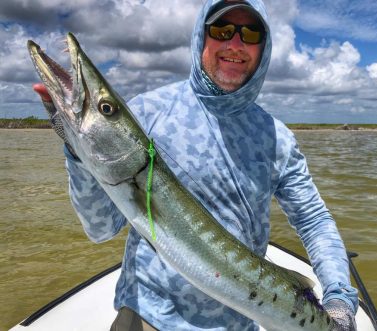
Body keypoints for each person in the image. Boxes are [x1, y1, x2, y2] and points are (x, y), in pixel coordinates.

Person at [34, 1, 358, 330]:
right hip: (149, 315)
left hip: (243, 320)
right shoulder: (148, 112)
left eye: (250, 33)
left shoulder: (279, 139)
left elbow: (314, 220)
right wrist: (78, 146)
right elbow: (100, 228)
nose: (235, 44)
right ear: (201, 36)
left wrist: (340, 299)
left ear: (264, 47)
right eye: (222, 30)